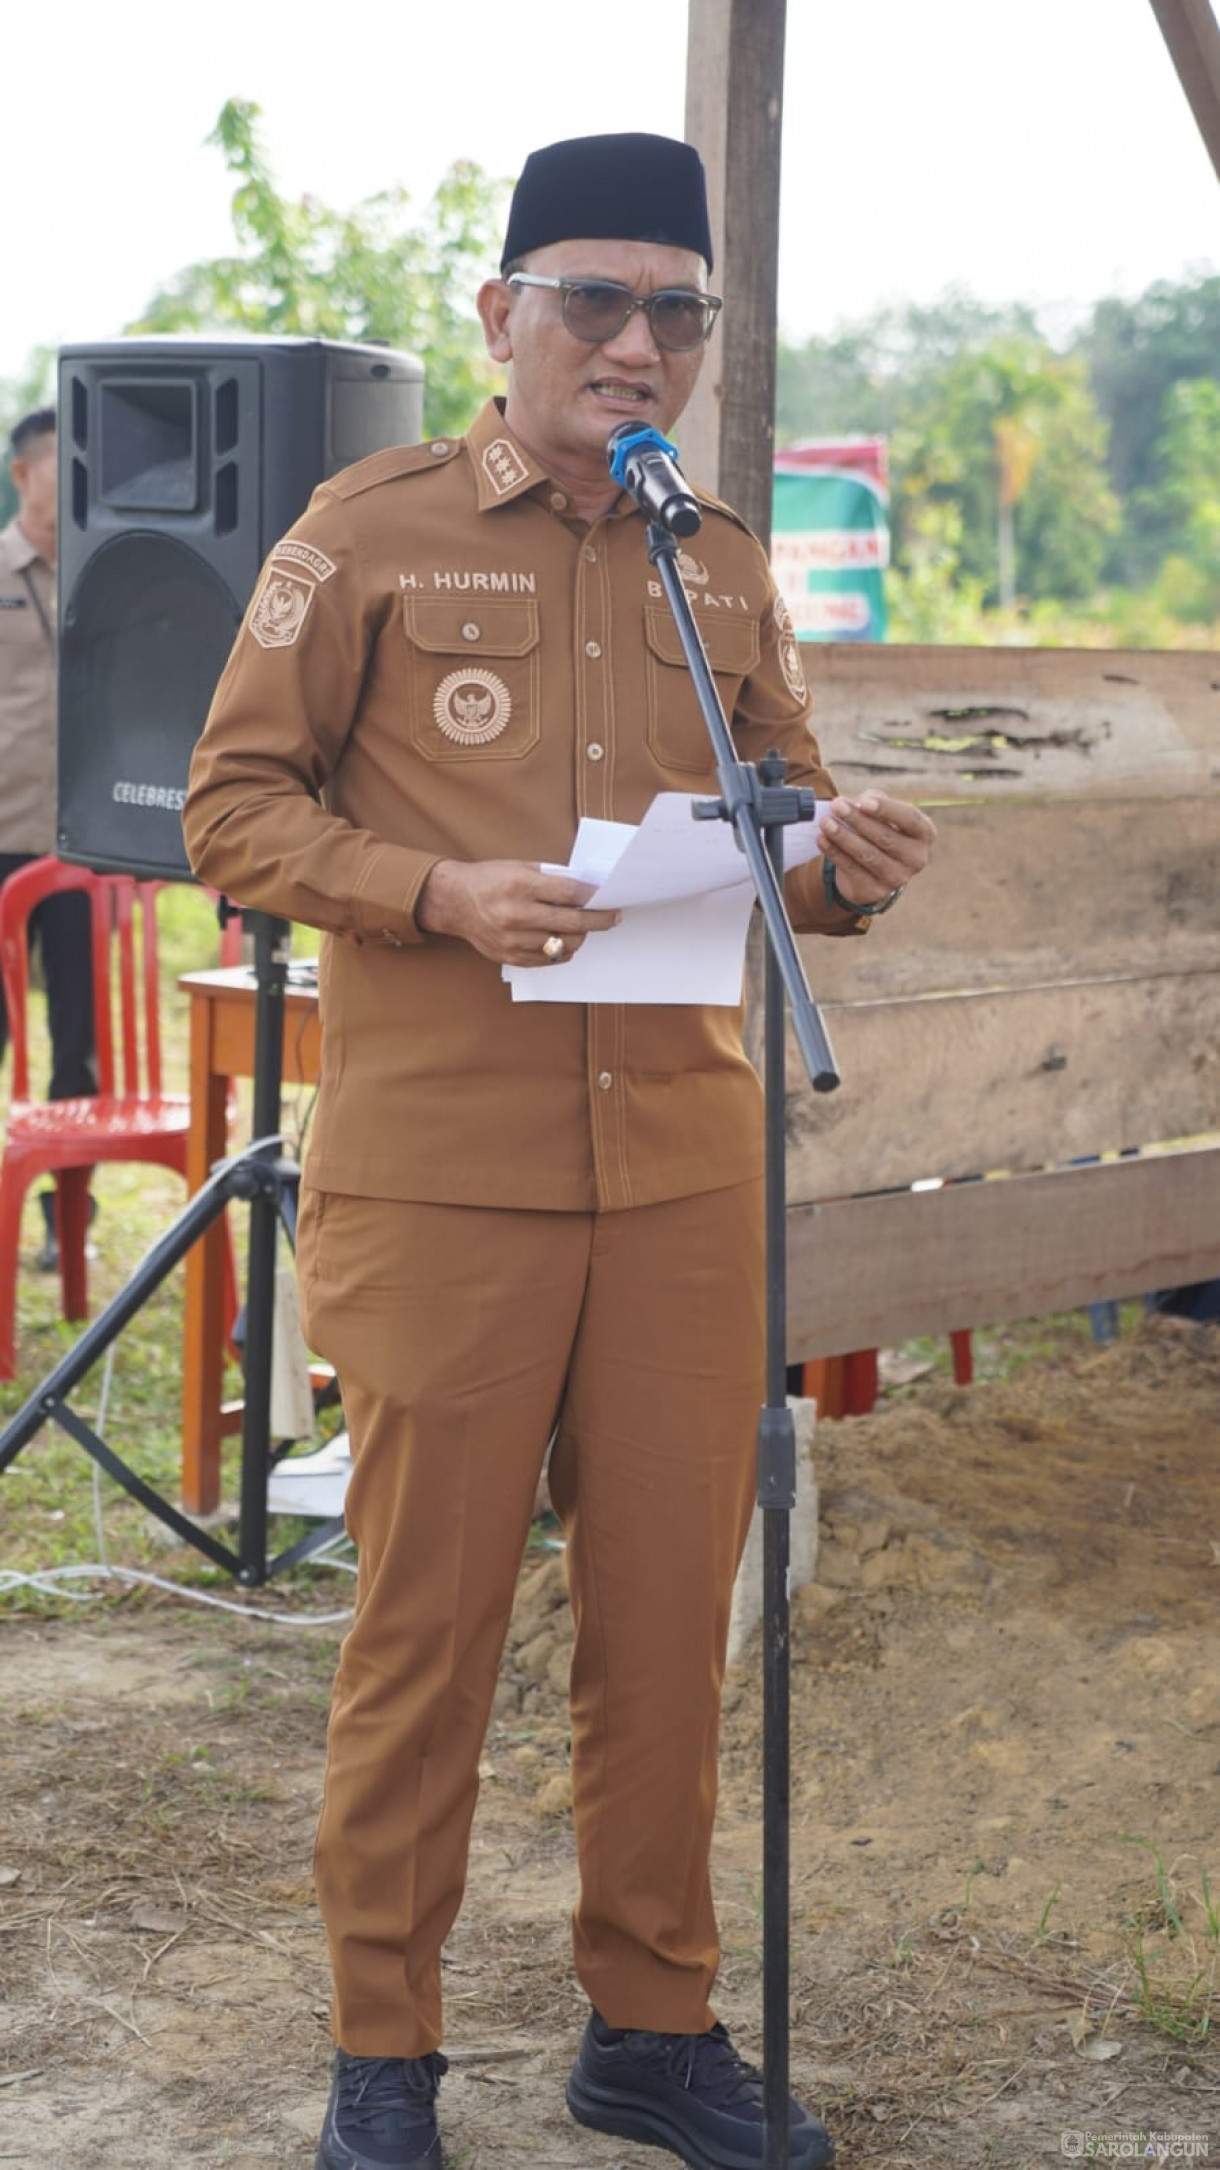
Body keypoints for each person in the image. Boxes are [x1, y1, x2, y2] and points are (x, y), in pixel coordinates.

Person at [183, 132, 936, 2170]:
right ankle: (384, 2049)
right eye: (593, 301)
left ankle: (650, 2019)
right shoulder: (373, 529)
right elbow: (228, 812)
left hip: (685, 1173)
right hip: (448, 1173)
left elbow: (772, 812)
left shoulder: (720, 557)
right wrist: (436, 892)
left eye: (678, 311)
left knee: (664, 1609)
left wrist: (839, 862)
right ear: (499, 316)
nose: (638, 342)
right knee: (426, 1624)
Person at [0, 407, 96, 1270]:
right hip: (1, 835)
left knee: (81, 1039)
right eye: (63, 466)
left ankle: (68, 1230)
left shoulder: (111, 573)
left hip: (80, 846)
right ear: (25, 473)